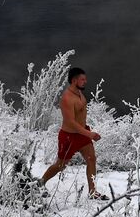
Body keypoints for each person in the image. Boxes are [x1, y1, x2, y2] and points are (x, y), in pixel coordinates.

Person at [40, 66, 106, 199]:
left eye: (85, 79)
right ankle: (40, 184)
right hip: (69, 137)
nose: (85, 81)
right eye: (82, 79)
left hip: (82, 134)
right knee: (60, 165)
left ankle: (92, 192)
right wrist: (90, 134)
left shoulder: (79, 93)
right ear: (74, 80)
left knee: (91, 159)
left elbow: (80, 116)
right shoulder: (67, 98)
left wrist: (86, 132)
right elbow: (71, 123)